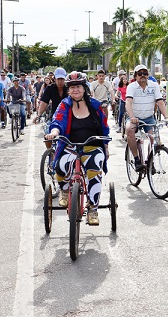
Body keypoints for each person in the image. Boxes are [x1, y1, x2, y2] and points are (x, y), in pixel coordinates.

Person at [45, 71, 110, 226]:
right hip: (70, 145)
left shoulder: (95, 105)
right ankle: (65, 190)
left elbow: (104, 126)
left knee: (94, 171)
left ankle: (93, 209)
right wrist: (54, 132)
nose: (75, 90)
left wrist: (105, 146)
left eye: (78, 87)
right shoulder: (64, 105)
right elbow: (57, 121)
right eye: (72, 87)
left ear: (84, 88)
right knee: (60, 165)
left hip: (92, 145)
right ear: (68, 90)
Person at [125, 64, 168, 172]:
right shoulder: (131, 87)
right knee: (129, 130)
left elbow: (160, 102)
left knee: (154, 138)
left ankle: (150, 161)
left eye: (145, 73)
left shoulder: (154, 86)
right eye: (140, 73)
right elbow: (128, 103)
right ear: (135, 76)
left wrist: (167, 117)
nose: (142, 75)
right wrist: (132, 117)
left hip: (149, 117)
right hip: (135, 117)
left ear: (148, 75)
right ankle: (136, 160)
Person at [36, 68, 68, 142]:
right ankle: (51, 152)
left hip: (69, 116)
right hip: (55, 116)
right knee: (48, 135)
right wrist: (39, 115)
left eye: (62, 79)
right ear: (54, 79)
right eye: (58, 79)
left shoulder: (70, 88)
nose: (60, 81)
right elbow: (44, 102)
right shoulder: (50, 88)